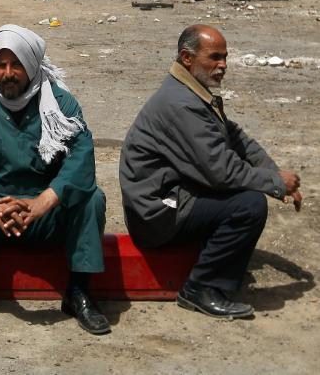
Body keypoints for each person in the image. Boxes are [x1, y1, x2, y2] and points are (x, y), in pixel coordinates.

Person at [119, 24, 302, 319]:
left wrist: (274, 173)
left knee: (246, 192)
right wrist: (273, 182)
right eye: (214, 57)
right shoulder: (181, 103)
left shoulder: (192, 90)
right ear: (187, 58)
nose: (223, 66)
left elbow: (237, 138)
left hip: (172, 194)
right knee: (249, 205)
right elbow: (222, 173)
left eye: (225, 58)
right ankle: (201, 289)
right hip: (156, 214)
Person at [0, 24, 109, 334]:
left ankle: (79, 291)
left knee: (92, 197)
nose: (8, 73)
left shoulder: (61, 105)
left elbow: (81, 162)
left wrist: (43, 202)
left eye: (16, 64)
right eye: (1, 65)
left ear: (31, 66)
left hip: (45, 216)